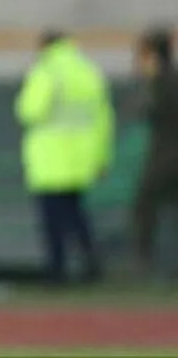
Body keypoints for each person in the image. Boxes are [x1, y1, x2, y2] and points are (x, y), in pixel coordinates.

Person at [16, 30, 114, 284]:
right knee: (76, 215)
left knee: (52, 220)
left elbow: (29, 111)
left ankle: (56, 270)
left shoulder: (46, 71)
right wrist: (102, 158)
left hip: (50, 160)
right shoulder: (88, 71)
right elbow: (104, 119)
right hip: (81, 159)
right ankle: (91, 262)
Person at [132, 27, 178, 270]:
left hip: (165, 155)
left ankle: (144, 263)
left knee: (144, 207)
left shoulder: (161, 82)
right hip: (167, 153)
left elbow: (147, 110)